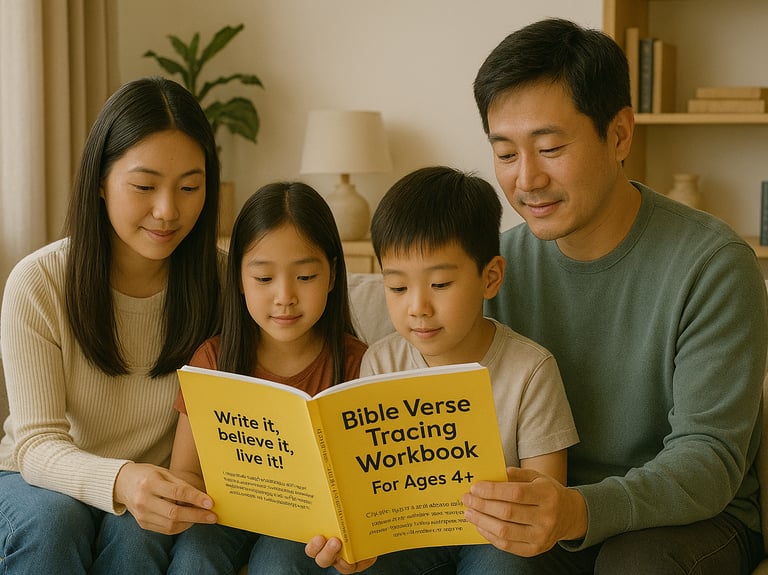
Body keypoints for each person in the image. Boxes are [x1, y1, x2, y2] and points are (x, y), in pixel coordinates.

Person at [465, 17, 768, 574]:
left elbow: (709, 459)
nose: (526, 180)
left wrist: (579, 510)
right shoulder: (491, 270)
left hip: (690, 521)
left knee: (635, 565)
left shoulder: (713, 264)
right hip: (543, 513)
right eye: (506, 154)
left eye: (550, 147)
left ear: (620, 135)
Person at [0, 77, 250, 573]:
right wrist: (123, 479)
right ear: (99, 180)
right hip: (41, 479)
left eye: (190, 187)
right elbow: (36, 444)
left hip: (160, 487)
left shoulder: (227, 282)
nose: (168, 211)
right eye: (144, 186)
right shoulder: (39, 281)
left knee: (139, 535)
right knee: (55, 521)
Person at [306, 165, 579, 573]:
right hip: (407, 536)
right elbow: (364, 490)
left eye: (439, 285)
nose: (417, 307)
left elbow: (543, 502)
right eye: (397, 287)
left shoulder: (530, 370)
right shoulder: (380, 362)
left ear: (490, 278)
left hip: (495, 539)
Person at [170, 181, 369, 575]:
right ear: (240, 281)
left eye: (306, 277)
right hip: (224, 516)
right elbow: (185, 471)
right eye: (263, 279)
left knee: (279, 561)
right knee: (195, 554)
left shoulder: (358, 365)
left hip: (308, 528)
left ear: (331, 275)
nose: (284, 296)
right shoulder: (213, 361)